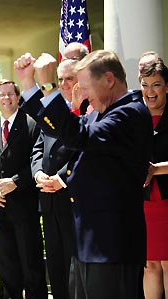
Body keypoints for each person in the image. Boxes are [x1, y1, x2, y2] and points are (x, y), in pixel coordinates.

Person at [14, 50, 153, 299]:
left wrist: (49, 86)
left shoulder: (130, 113)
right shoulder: (103, 112)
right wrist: (29, 85)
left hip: (113, 246)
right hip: (88, 245)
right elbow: (59, 130)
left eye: (86, 87)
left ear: (109, 79)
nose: (83, 94)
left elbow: (77, 135)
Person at [0, 79, 48, 299]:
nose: (6, 98)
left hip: (26, 210)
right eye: (2, 95)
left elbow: (38, 160)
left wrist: (15, 181)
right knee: (8, 272)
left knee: (32, 270)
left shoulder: (32, 124)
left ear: (18, 97)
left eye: (11, 94)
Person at [30, 59, 83, 299]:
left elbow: (84, 153)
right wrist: (38, 173)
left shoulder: (87, 112)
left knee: (75, 268)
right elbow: (38, 150)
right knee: (56, 265)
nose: (63, 84)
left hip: (74, 201)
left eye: (68, 78)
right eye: (59, 79)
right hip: (49, 201)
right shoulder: (54, 112)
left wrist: (60, 178)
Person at [139, 57, 168, 299]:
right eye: (145, 84)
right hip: (142, 203)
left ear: (167, 87)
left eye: (156, 84)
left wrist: (155, 169)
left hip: (167, 202)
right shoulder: (133, 117)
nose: (150, 91)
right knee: (149, 264)